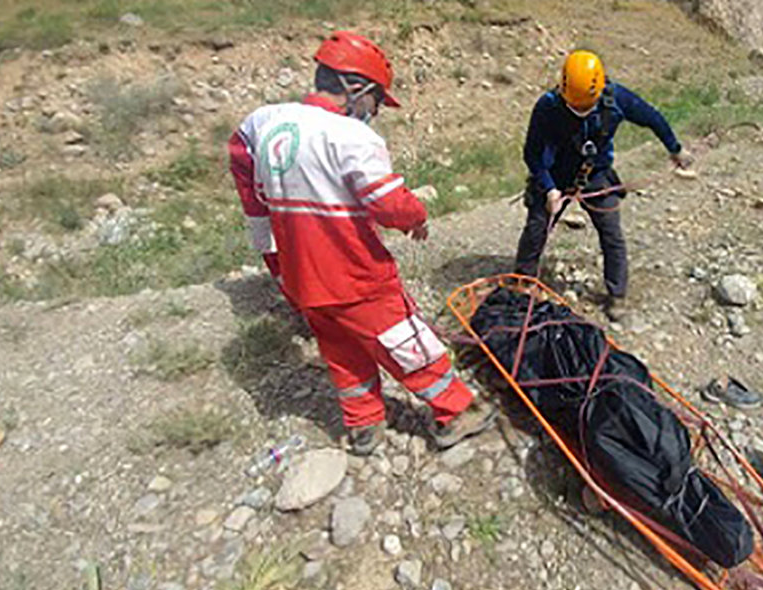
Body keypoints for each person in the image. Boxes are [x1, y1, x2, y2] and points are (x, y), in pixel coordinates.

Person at [227, 31, 495, 455]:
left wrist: (270, 255)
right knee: (407, 342)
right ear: (356, 88)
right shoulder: (352, 137)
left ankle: (364, 426)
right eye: (376, 100)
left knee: (341, 348)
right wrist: (417, 217)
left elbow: (244, 174)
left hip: (303, 277)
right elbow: (388, 204)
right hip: (355, 274)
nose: (375, 112)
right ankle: (457, 411)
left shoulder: (265, 122)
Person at [515, 49, 692, 321]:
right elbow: (532, 153)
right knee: (537, 227)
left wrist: (675, 149)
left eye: (586, 107)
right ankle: (524, 283)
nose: (581, 112)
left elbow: (652, 118)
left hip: (594, 174)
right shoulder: (548, 106)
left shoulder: (615, 99)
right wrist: (549, 187)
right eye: (575, 106)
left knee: (611, 234)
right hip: (555, 175)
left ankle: (617, 294)